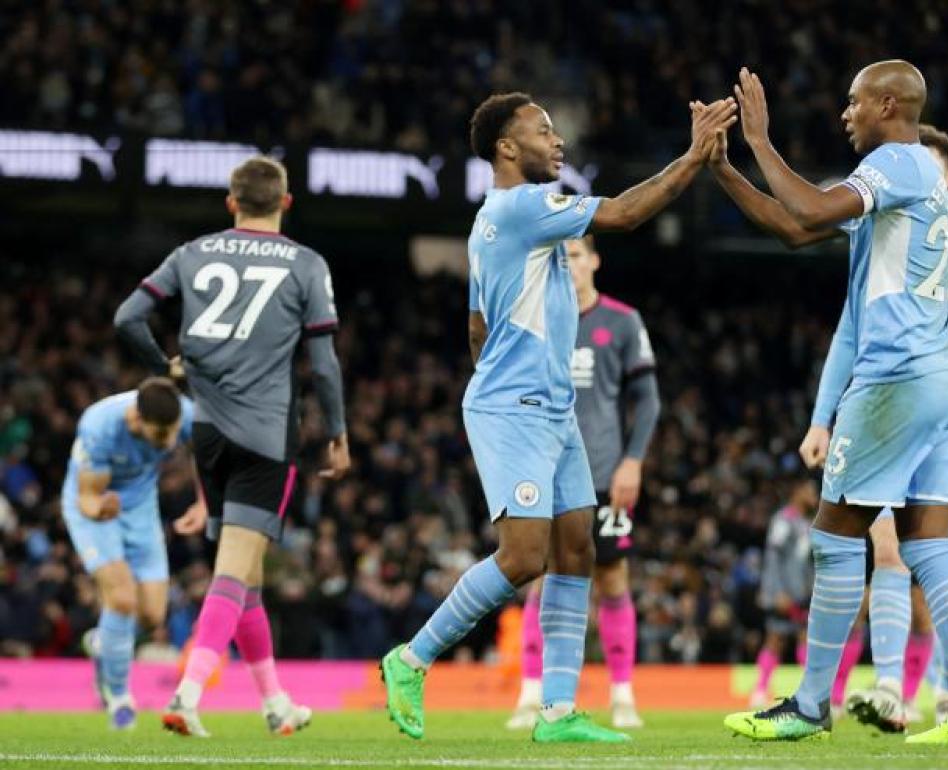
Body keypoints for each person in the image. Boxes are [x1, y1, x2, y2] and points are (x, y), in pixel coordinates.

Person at [378, 91, 737, 744]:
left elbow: (476, 325)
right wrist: (693, 158)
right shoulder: (523, 206)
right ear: (507, 149)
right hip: (516, 410)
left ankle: (558, 712)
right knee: (523, 558)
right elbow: (625, 214)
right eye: (544, 130)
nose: (558, 140)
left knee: (578, 551)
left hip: (551, 409)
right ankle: (411, 659)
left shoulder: (491, 220)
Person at [711, 60, 948, 744]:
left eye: (852, 102)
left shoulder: (898, 162)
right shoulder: (905, 182)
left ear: (886, 103)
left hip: (897, 378)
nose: (844, 114)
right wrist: (722, 167)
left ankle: (813, 704)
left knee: (835, 533)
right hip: (944, 381)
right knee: (930, 547)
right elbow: (795, 227)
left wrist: (759, 138)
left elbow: (811, 205)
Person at [114, 156, 351, 737]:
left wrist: (165, 368)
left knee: (245, 580)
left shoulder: (191, 253)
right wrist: (339, 433)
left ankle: (277, 705)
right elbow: (323, 364)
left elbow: (128, 317)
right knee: (232, 570)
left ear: (231, 203)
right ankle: (188, 694)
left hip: (208, 436)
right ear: (286, 203)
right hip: (267, 438)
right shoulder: (306, 264)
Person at [825, 123, 948, 730]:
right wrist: (822, 414)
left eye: (930, 168)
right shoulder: (884, 230)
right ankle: (889, 689)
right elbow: (849, 326)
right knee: (887, 545)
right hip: (903, 401)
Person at [507, 235, 661, 730]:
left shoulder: (622, 321)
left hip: (604, 475)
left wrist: (633, 462)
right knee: (542, 580)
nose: (567, 265)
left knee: (613, 580)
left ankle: (622, 696)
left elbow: (649, 400)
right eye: (558, 256)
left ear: (594, 260)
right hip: (547, 476)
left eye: (574, 255)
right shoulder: (536, 320)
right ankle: (531, 695)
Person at [65, 378, 200, 730]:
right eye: (160, 436)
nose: (169, 443)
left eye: (172, 434)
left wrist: (203, 502)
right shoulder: (99, 425)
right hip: (96, 510)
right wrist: (99, 509)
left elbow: (207, 449)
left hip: (141, 510)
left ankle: (103, 644)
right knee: (121, 598)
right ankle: (119, 699)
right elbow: (88, 497)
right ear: (135, 420)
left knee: (153, 616)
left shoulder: (182, 413)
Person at [748, 479, 818, 708]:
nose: (814, 494)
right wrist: (775, 592)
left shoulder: (808, 523)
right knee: (775, 639)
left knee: (805, 639)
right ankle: (760, 690)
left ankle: (809, 692)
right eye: (810, 490)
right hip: (783, 593)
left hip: (803, 594)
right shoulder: (783, 520)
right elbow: (773, 558)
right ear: (797, 491)